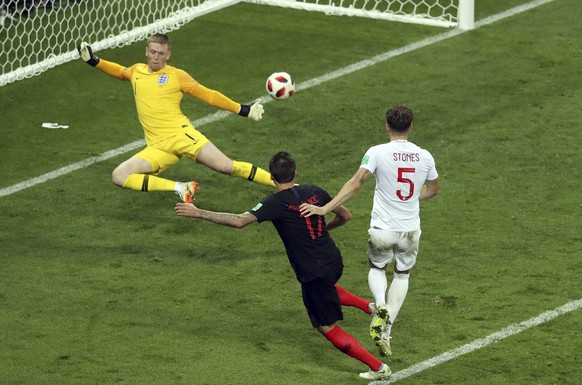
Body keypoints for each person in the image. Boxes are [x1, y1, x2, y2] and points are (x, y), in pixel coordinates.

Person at [175, 151, 391, 380]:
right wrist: (321, 230)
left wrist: (198, 213)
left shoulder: (274, 203)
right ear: (295, 172)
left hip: (312, 270)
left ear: (271, 177)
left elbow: (239, 221)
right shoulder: (314, 191)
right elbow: (345, 215)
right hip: (332, 259)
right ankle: (371, 308)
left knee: (325, 326)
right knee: (324, 290)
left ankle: (378, 368)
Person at [300, 105, 439, 357]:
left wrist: (325, 208)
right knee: (402, 275)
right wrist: (409, 200)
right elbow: (432, 190)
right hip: (410, 230)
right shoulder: (425, 156)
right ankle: (386, 330)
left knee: (377, 268)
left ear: (387, 126)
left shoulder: (377, 152)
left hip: (382, 229)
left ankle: (381, 305)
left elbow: (356, 183)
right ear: (411, 127)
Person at [77, 33, 274, 203]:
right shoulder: (137, 70)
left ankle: (285, 184)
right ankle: (181, 188)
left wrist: (242, 110)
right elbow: (121, 72)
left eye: (161, 54)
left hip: (182, 136)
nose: (156, 57)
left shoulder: (176, 76)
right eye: (153, 52)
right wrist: (94, 61)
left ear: (168, 55)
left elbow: (208, 95)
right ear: (146, 51)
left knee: (226, 167)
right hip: (157, 147)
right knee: (119, 175)